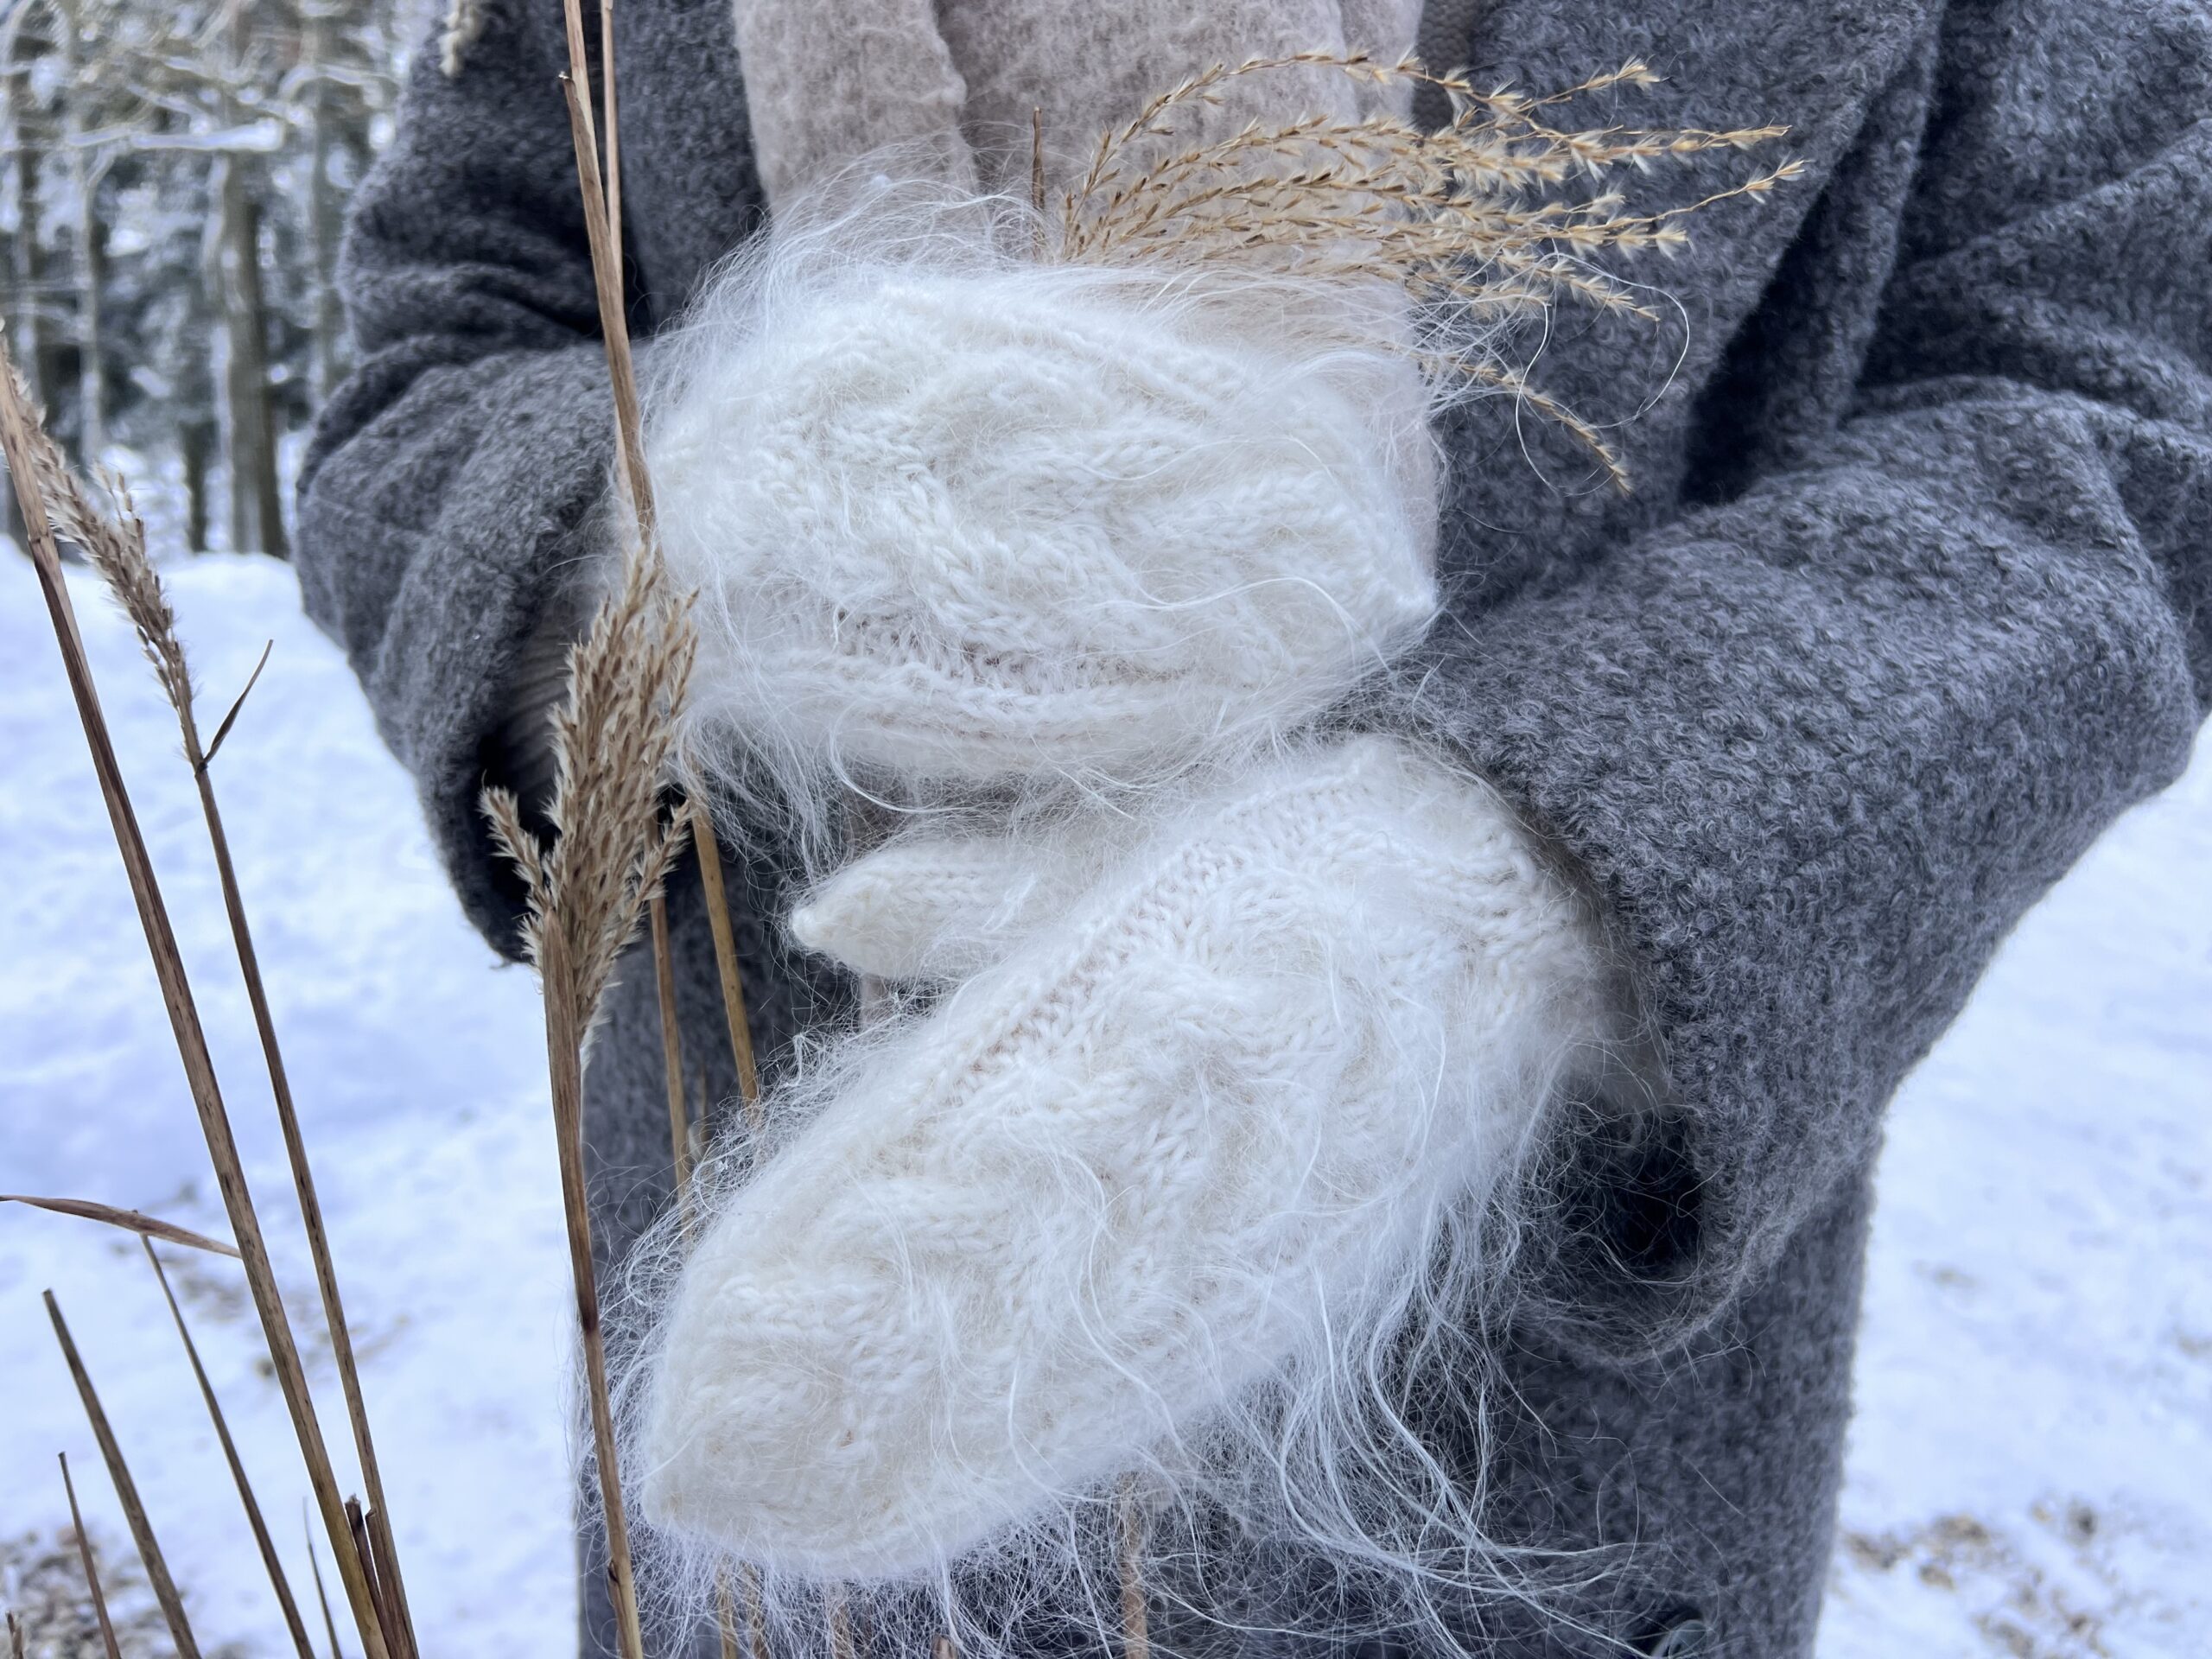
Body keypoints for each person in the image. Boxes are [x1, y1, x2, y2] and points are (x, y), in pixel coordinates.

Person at [295, 0, 2212, 1654]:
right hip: (786, 1338)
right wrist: (685, 544)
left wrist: (1518, 886)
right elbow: (433, 355)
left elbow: (2120, 398)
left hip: (1554, 1476)